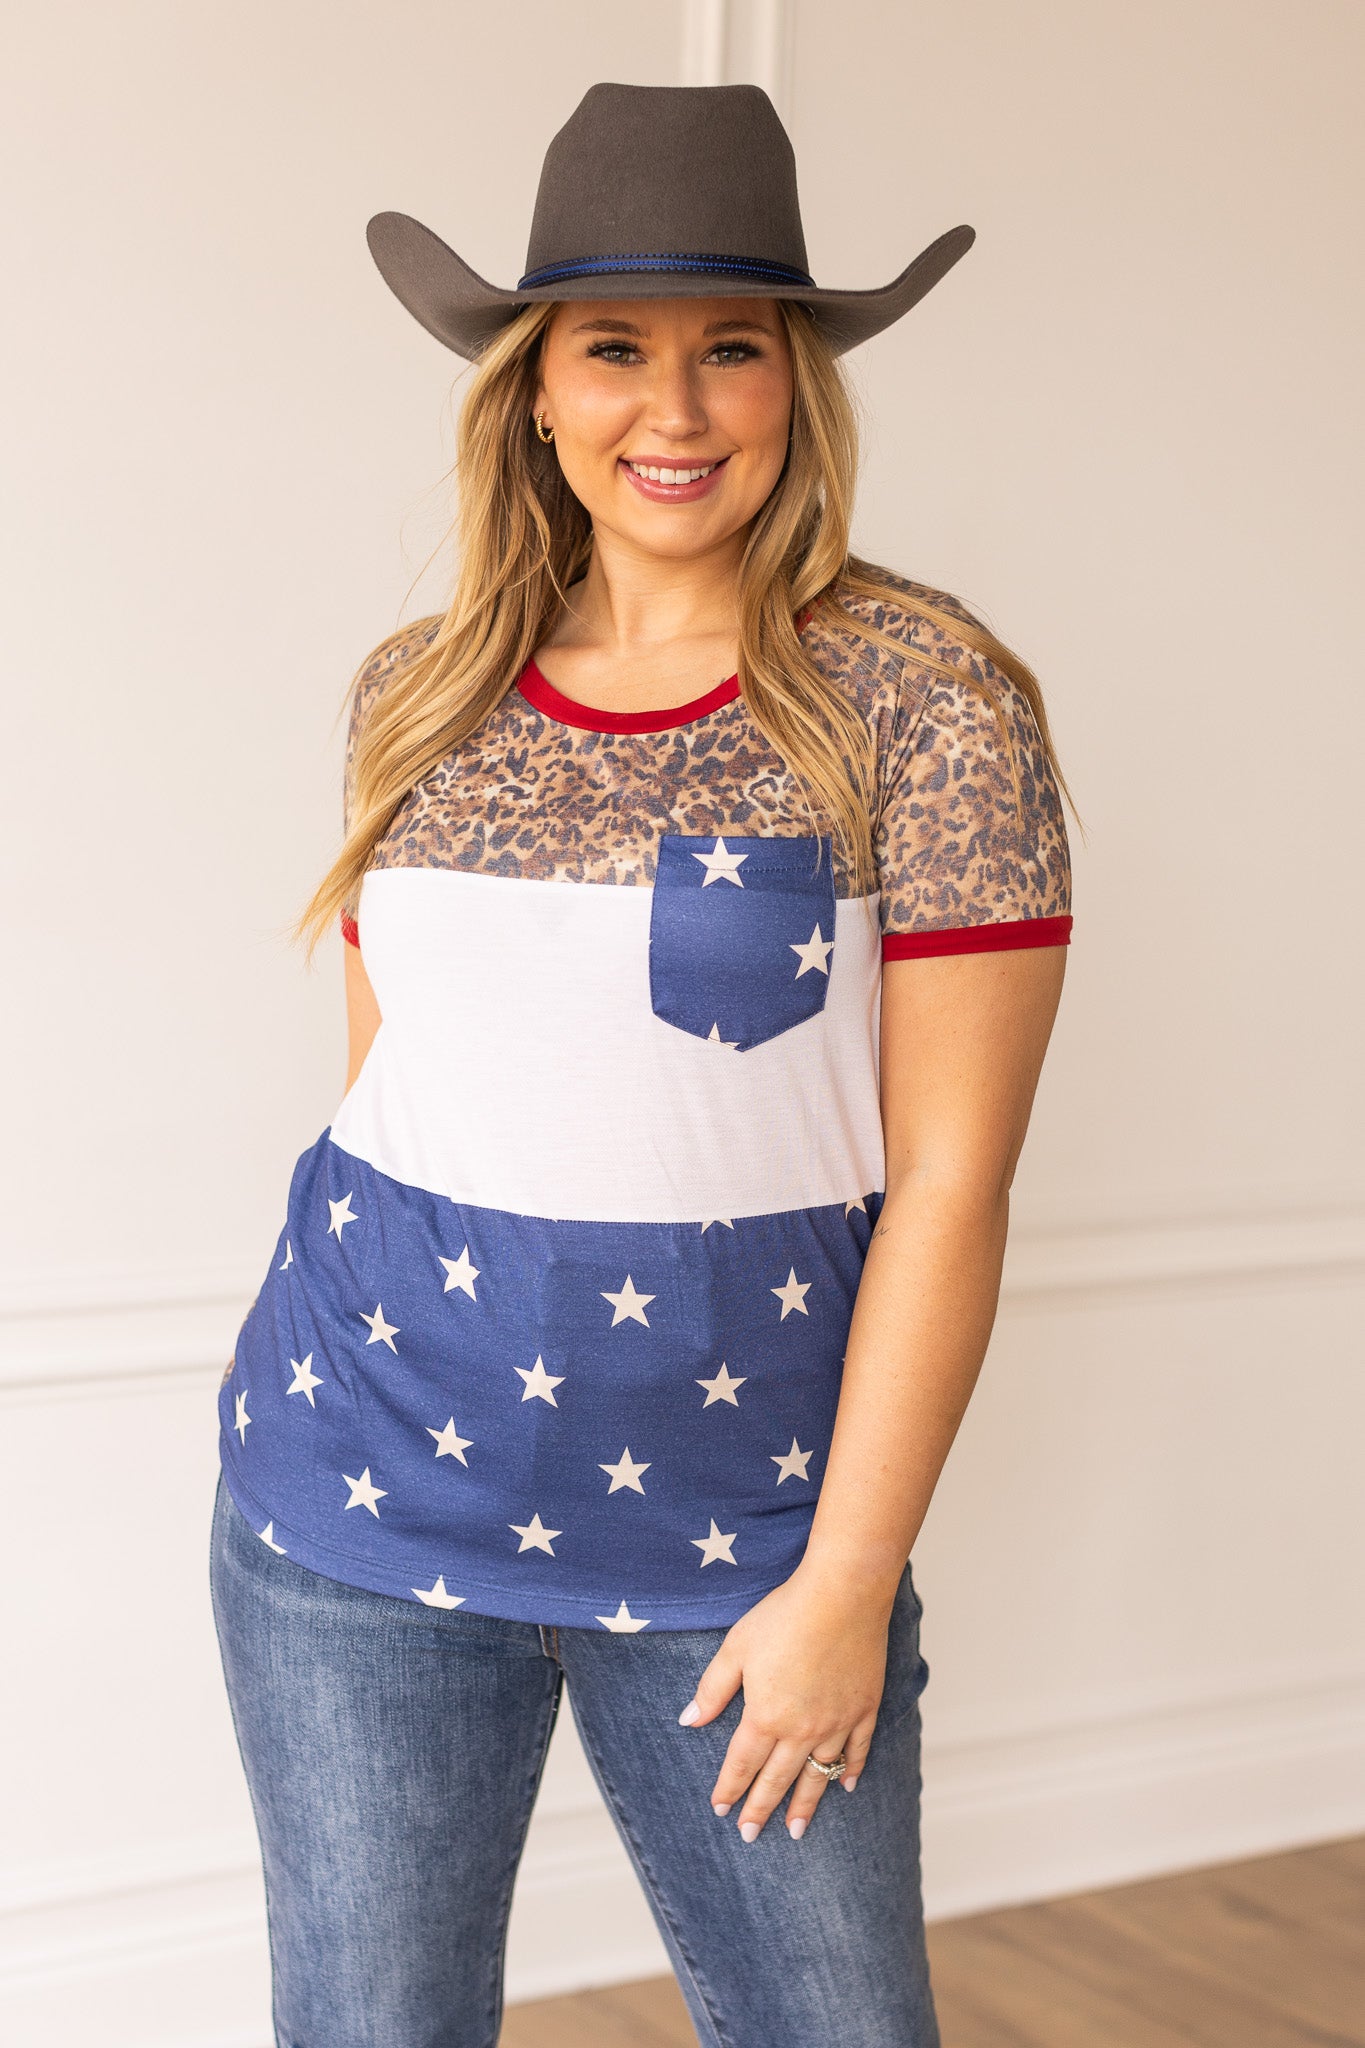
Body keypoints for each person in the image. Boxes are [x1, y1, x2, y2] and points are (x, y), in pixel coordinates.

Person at [210, 82, 1073, 2048]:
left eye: (728, 350)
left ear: (796, 385)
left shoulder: (923, 698)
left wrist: (846, 1578)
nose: (671, 409)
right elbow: (395, 1089)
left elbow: (953, 1182)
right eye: (613, 348)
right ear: (533, 388)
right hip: (351, 1507)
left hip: (740, 1548)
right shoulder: (417, 696)